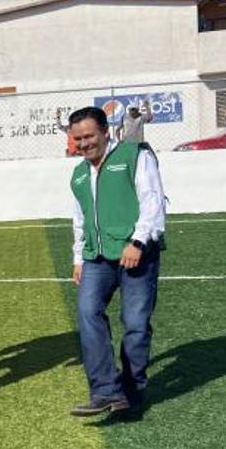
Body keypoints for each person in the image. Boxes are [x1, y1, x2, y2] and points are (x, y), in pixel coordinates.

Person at [67, 107, 166, 420]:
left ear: (105, 132)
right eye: (78, 139)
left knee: (135, 324)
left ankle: (132, 392)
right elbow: (80, 219)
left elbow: (153, 199)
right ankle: (105, 390)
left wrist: (138, 241)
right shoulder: (79, 174)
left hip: (136, 252)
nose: (84, 144)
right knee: (87, 313)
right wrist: (78, 258)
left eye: (89, 136)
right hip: (96, 257)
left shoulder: (134, 156)